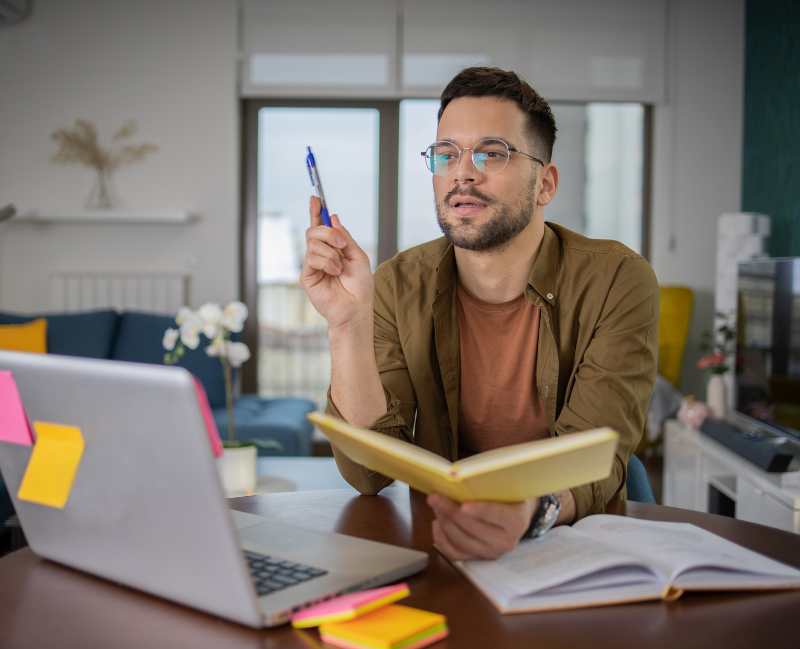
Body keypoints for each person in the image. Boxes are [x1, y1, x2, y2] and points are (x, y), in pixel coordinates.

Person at [300, 67, 658, 561]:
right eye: (446, 154)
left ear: (545, 184)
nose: (462, 172)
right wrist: (346, 324)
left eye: (492, 153)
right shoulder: (398, 283)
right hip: (446, 544)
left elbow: (598, 454)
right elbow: (368, 473)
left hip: (574, 546)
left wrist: (527, 513)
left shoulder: (617, 278)